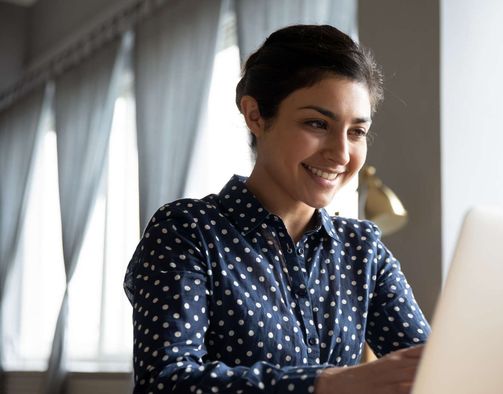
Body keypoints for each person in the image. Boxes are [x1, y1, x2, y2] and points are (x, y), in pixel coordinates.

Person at [123, 24, 431, 394]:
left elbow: (428, 369)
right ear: (255, 115)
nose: (342, 154)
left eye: (356, 132)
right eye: (317, 123)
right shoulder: (188, 232)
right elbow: (165, 381)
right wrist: (328, 383)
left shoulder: (361, 249)